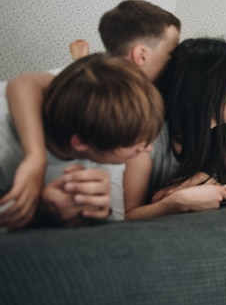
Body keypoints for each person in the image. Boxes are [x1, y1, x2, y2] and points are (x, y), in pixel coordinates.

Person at [4, 0, 226, 227]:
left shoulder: (147, 101)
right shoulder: (94, 83)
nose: (178, 60)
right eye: (172, 52)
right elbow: (23, 84)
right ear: (141, 55)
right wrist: (35, 157)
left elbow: (223, 108)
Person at [0, 54, 163, 229]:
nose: (148, 149)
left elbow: (114, 223)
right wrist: (42, 211)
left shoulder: (105, 146)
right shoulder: (5, 144)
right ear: (80, 143)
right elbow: (24, 83)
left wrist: (97, 211)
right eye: (133, 143)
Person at [123, 37, 226, 220]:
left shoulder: (216, 132)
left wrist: (201, 179)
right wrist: (174, 203)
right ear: (207, 94)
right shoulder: (146, 141)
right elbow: (128, 215)